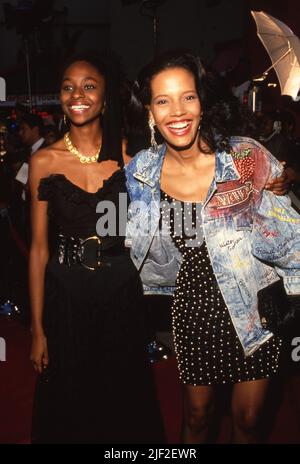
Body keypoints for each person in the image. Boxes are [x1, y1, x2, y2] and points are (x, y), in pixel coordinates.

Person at [125, 50, 300, 444]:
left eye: (188, 96)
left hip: (255, 306)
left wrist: (296, 296)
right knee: (198, 416)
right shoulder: (140, 171)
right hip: (193, 307)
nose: (178, 110)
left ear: (202, 102)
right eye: (163, 100)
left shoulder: (244, 156)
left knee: (251, 418)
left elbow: (290, 229)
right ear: (150, 112)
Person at [29, 51, 163, 444]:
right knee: (69, 401)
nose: (77, 94)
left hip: (120, 291)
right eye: (68, 87)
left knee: (121, 399)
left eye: (89, 86)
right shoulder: (44, 161)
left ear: (105, 99)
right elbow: (38, 249)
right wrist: (37, 329)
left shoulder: (132, 158)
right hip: (65, 293)